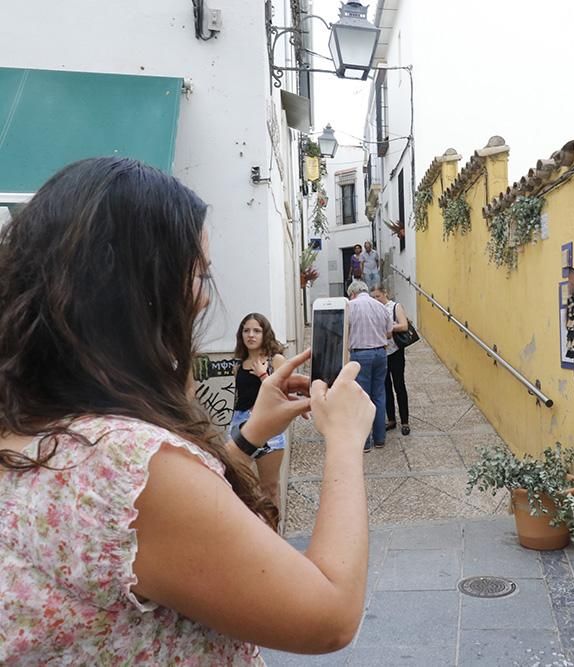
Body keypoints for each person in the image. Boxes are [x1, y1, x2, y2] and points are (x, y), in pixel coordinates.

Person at [0, 157, 374, 662]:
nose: (202, 300)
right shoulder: (125, 463)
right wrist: (346, 442)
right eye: (198, 273)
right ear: (139, 289)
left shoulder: (35, 429)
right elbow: (329, 615)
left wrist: (249, 434)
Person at [230, 312, 287, 507]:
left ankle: (273, 533)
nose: (251, 335)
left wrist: (263, 376)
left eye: (256, 330)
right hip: (240, 424)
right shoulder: (239, 363)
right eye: (246, 331)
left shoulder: (275, 361)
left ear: (265, 334)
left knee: (269, 487)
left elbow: (284, 396)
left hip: (269, 425)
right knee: (239, 486)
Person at [347, 280, 393, 452]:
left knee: (361, 398)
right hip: (381, 353)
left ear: (352, 293)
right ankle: (380, 439)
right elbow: (389, 333)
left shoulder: (350, 306)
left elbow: (344, 331)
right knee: (379, 395)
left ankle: (365, 442)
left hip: (360, 355)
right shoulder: (380, 306)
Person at [372, 286, 411, 436]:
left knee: (399, 385)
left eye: (378, 296)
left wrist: (389, 328)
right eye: (373, 297)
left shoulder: (395, 306)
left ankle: (405, 421)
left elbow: (404, 325)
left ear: (385, 293)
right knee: (385, 386)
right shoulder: (374, 309)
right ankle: (391, 419)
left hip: (395, 351)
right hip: (381, 351)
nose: (376, 300)